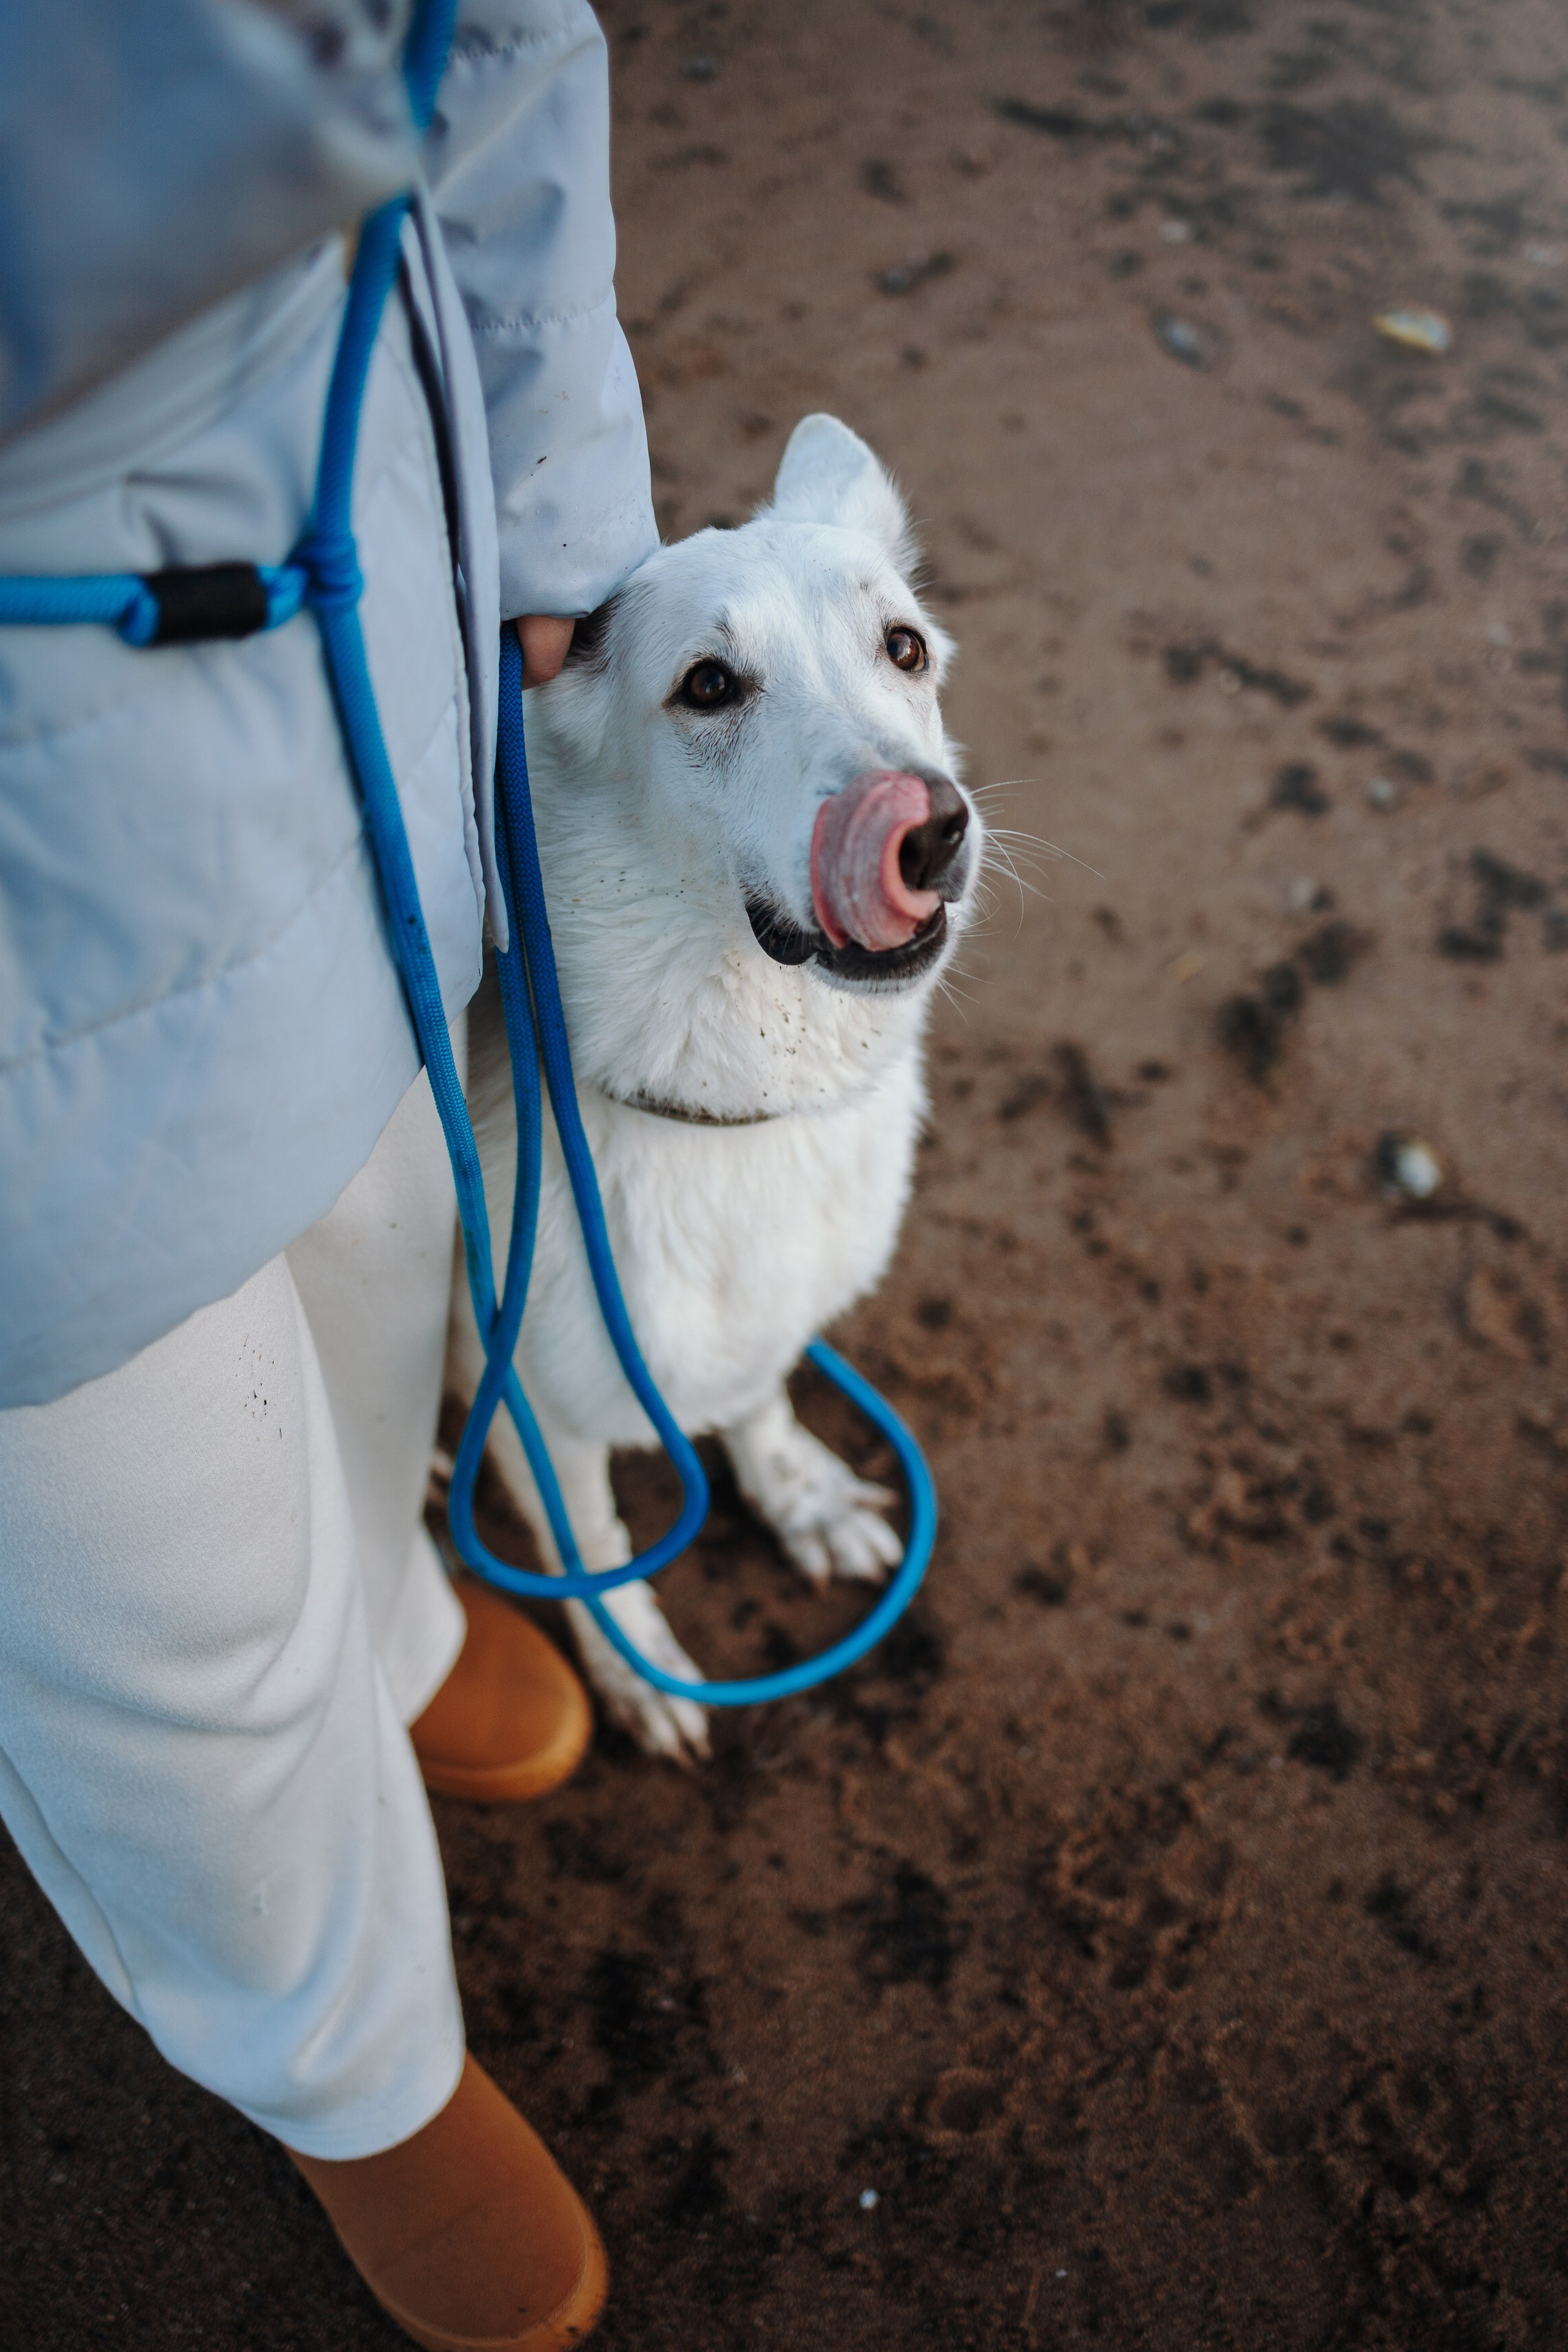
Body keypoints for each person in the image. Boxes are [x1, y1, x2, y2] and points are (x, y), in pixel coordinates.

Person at [0, 4, 658, 2343]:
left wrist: (550, 483)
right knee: (152, 1585)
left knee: (386, 1269)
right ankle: (340, 2052)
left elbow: (490, 42)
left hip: (338, 623)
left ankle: (383, 1623)